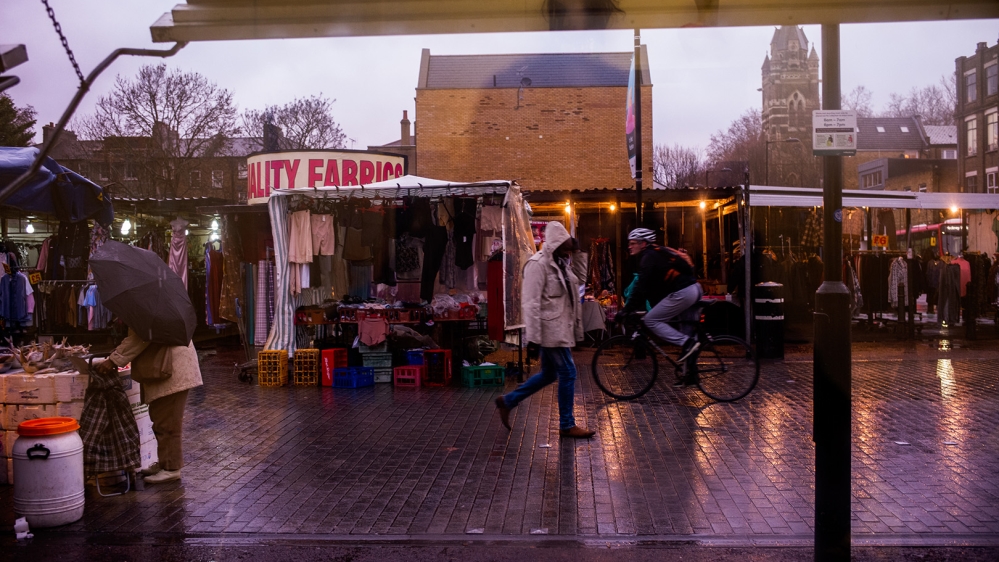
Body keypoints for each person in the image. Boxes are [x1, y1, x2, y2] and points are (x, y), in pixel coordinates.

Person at [495, 221, 595, 438]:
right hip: (550, 332)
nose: (568, 250)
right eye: (566, 245)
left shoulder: (561, 263)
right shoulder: (538, 265)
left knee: (549, 374)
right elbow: (530, 303)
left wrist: (578, 254)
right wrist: (533, 339)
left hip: (560, 329)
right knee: (568, 372)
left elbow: (580, 279)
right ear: (556, 243)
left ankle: (508, 401)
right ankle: (567, 424)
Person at [94, 328, 203, 484]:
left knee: (168, 422)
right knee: (161, 420)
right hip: (168, 366)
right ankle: (166, 462)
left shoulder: (150, 317)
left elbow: (141, 338)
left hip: (172, 369)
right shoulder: (154, 315)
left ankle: (171, 468)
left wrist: (113, 359)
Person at [618, 228, 703, 365]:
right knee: (688, 338)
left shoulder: (648, 257)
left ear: (643, 244)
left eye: (633, 243)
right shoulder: (659, 251)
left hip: (683, 292)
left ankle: (687, 343)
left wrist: (626, 310)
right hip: (693, 289)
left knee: (651, 320)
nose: (629, 246)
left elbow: (641, 286)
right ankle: (690, 373)